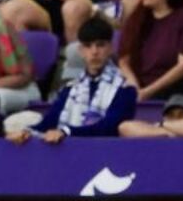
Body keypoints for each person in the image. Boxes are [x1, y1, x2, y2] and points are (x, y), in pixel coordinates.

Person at [8, 16, 136, 141]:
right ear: (81, 50)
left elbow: (109, 128)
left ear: (110, 48)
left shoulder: (125, 88)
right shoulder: (70, 88)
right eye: (88, 46)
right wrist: (26, 132)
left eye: (100, 45)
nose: (94, 52)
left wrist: (67, 132)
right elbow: (49, 122)